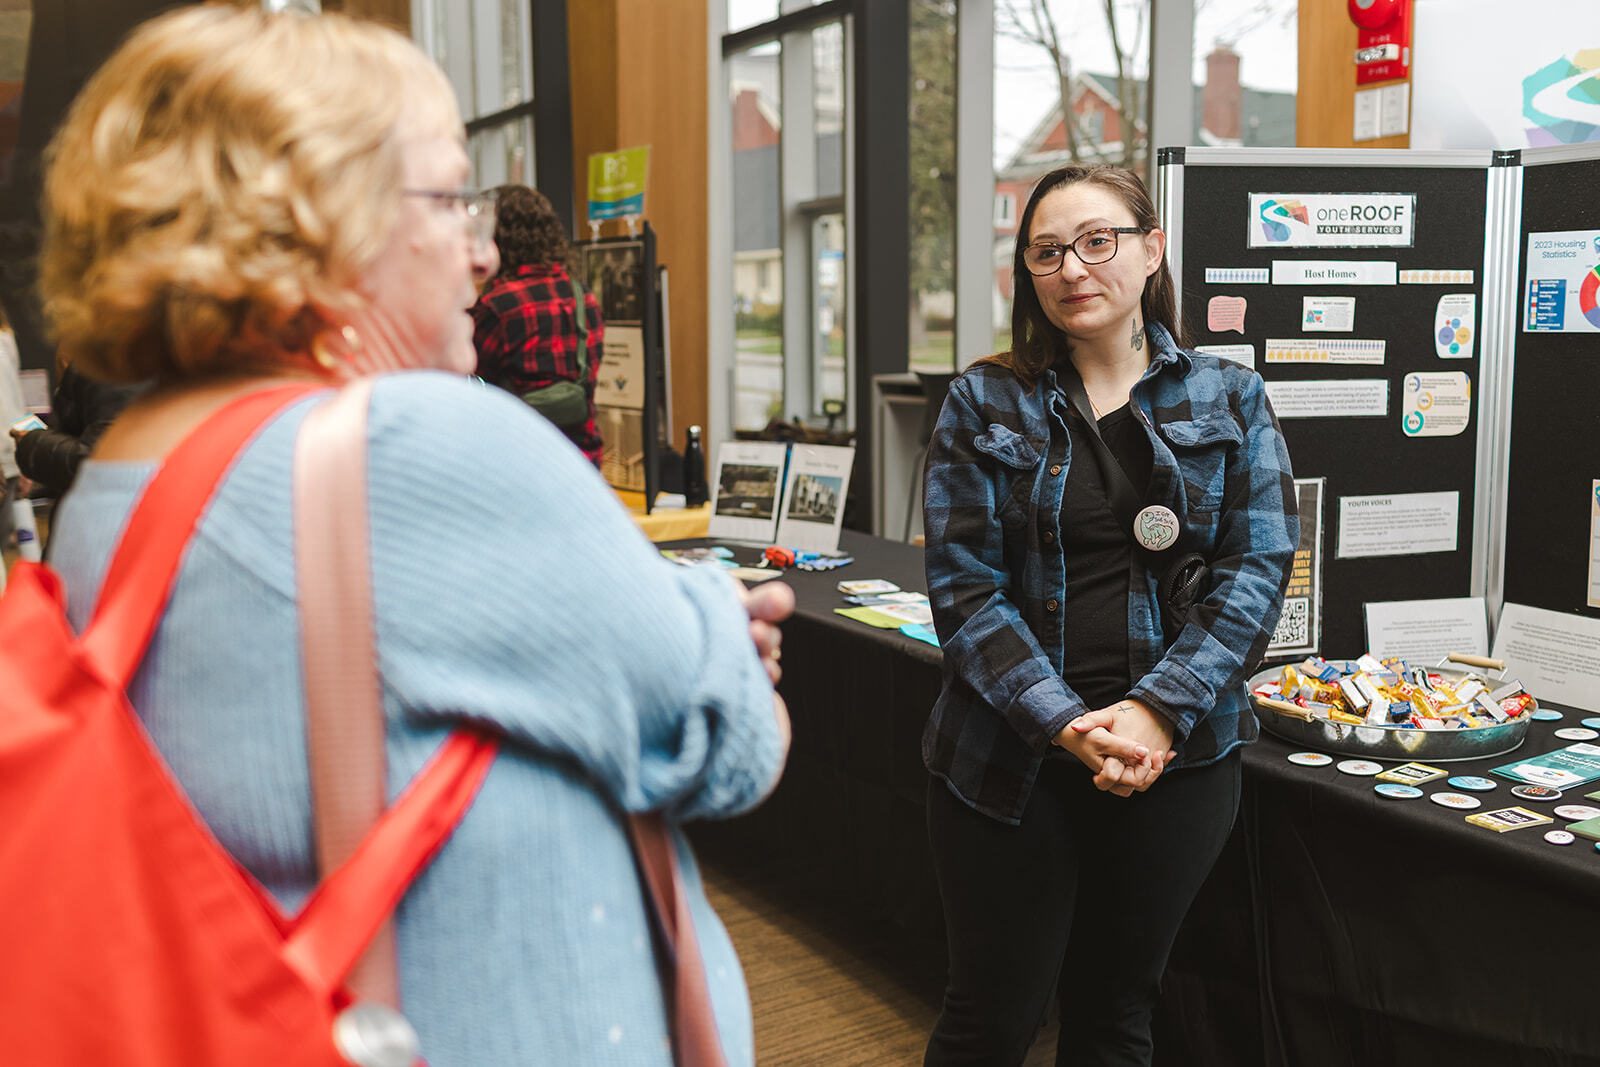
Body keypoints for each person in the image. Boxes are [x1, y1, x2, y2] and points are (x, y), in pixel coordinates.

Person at [38, 8, 791, 1066]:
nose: (482, 254)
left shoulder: (119, 476)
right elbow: (729, 739)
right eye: (449, 200)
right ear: (320, 222)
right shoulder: (414, 444)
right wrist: (719, 621)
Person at [920, 164, 1298, 1066]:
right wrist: (1063, 722)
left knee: (1116, 1015)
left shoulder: (1228, 396)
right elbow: (963, 588)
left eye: (1098, 241)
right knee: (989, 1018)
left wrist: (1159, 708)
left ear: (1152, 248)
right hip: (1007, 759)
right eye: (1046, 251)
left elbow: (1258, 569)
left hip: (1177, 759)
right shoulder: (984, 400)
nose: (1072, 268)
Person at [472, 184, 605, 466]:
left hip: (523, 460)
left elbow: (469, 377)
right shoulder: (584, 297)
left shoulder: (499, 305)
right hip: (582, 459)